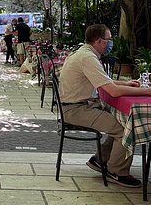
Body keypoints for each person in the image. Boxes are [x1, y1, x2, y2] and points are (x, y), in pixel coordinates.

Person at [59, 24, 151, 188]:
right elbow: (113, 91)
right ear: (100, 41)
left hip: (80, 105)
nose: (110, 43)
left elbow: (103, 81)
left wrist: (128, 84)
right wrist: (147, 91)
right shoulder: (87, 58)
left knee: (121, 121)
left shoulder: (84, 53)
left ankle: (100, 159)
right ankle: (117, 171)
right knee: (125, 130)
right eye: (109, 40)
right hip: (76, 109)